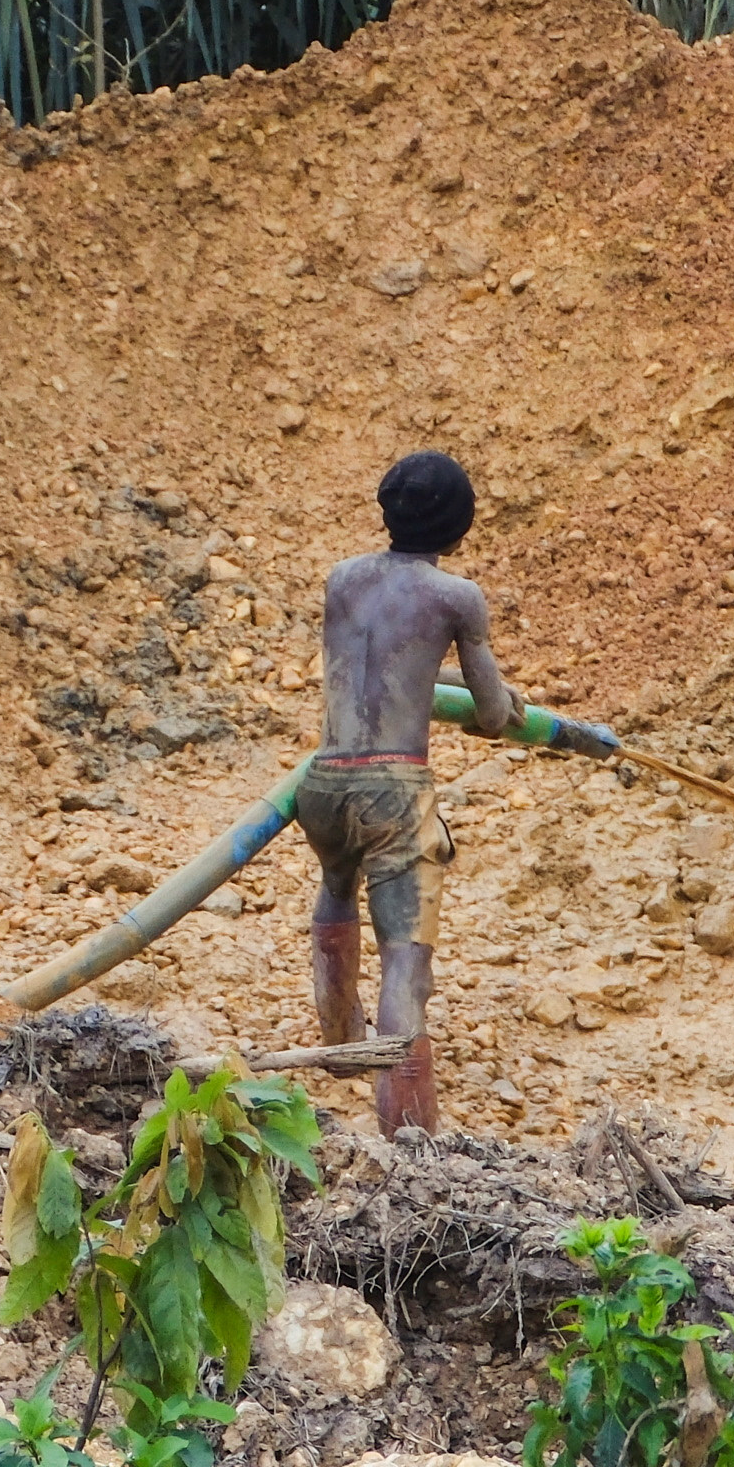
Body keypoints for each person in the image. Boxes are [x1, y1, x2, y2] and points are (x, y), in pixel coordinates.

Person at [308, 450, 514, 1135]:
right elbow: (490, 713)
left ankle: (340, 1044)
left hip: (325, 780)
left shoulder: (341, 579)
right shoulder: (455, 597)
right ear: (460, 525)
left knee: (337, 889)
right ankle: (410, 1136)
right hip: (393, 789)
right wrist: (504, 702)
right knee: (405, 957)